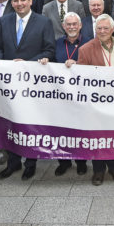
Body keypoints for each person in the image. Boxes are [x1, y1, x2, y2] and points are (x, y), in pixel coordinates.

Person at [0, 0, 55, 180]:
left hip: (32, 82)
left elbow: (49, 50)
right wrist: (0, 63)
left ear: (30, 1)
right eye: (16, 1)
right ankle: (13, 163)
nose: (19, 4)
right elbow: (0, 48)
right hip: (9, 83)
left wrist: (28, 64)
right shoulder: (4, 21)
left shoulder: (44, 22)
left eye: (23, 0)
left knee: (29, 123)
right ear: (11, 3)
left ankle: (30, 162)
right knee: (10, 121)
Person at [74, 14, 114, 186]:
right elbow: (81, 78)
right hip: (96, 102)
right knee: (97, 136)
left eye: (106, 28)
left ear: (112, 29)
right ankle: (98, 170)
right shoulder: (86, 49)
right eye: (99, 28)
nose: (102, 31)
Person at [38, 12, 89, 176]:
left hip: (82, 95)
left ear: (80, 26)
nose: (72, 27)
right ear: (63, 27)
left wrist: (78, 64)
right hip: (60, 95)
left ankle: (81, 162)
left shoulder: (89, 43)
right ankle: (64, 161)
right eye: (69, 24)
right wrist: (45, 60)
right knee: (61, 129)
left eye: (75, 24)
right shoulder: (57, 43)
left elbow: (95, 66)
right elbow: (49, 58)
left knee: (80, 129)